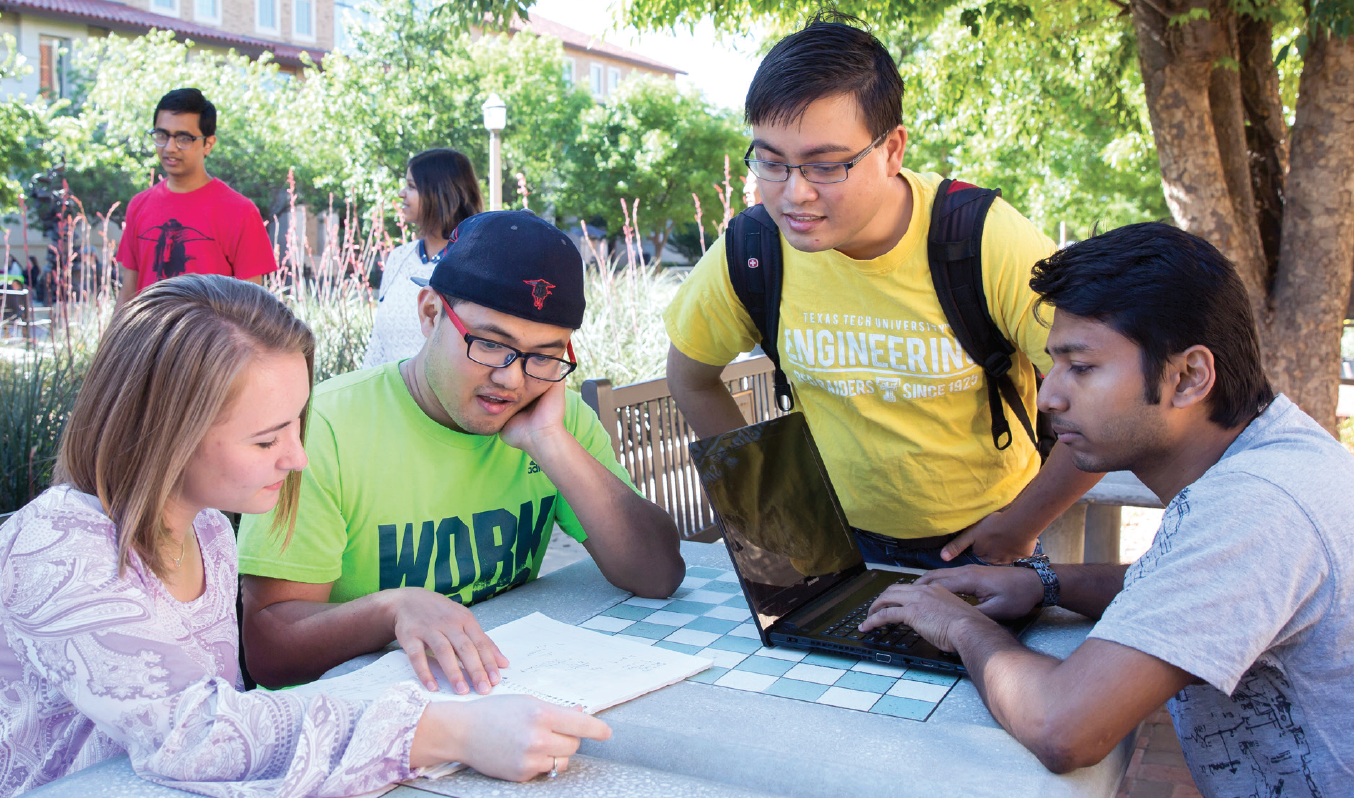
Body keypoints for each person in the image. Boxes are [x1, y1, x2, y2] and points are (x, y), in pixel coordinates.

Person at [0, 274, 610, 796]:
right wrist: (446, 731)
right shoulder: (57, 549)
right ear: (166, 433)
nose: (297, 457)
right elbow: (197, 732)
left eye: (297, 426)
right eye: (266, 440)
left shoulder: (207, 527)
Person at [861, 223, 1352, 796]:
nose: (1048, 397)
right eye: (1053, 365)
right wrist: (1043, 583)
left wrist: (957, 624)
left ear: (1189, 376)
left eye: (1082, 367)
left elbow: (1064, 727)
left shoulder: (1253, 510)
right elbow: (1178, 588)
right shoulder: (1280, 454)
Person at [663, 13, 1102, 570]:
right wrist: (768, 502)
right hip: (829, 541)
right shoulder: (753, 247)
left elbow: (1107, 399)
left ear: (892, 150)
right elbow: (690, 375)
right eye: (771, 162)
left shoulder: (983, 239)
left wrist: (1020, 525)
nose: (794, 194)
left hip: (982, 542)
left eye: (825, 166)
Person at [237, 210, 685, 695]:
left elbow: (657, 573)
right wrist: (392, 611)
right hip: (356, 713)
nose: (511, 379)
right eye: (491, 344)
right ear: (429, 313)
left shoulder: (555, 417)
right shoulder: (325, 427)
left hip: (502, 692)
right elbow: (268, 652)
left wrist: (550, 443)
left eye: (544, 355)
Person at [114, 88, 276, 310]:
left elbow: (252, 307)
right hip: (150, 342)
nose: (170, 147)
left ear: (208, 143)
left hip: (210, 344)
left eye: (184, 139)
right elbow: (128, 294)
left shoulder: (240, 212)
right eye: (162, 135)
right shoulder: (139, 206)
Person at [363, 148, 482, 368]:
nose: (401, 193)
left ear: (440, 193)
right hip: (387, 395)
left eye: (411, 186)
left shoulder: (477, 262)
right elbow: (377, 344)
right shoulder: (398, 258)